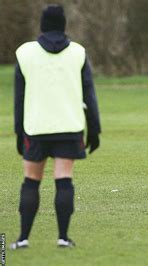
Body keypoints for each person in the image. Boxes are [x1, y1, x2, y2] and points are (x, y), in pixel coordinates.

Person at [10, 4, 101, 249]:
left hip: (36, 127)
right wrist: (95, 129)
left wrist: (19, 132)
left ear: (42, 25)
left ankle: (23, 239)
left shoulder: (25, 53)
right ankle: (62, 238)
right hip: (69, 127)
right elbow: (89, 95)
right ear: (63, 25)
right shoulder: (78, 52)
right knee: (63, 179)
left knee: (31, 180)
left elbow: (18, 99)